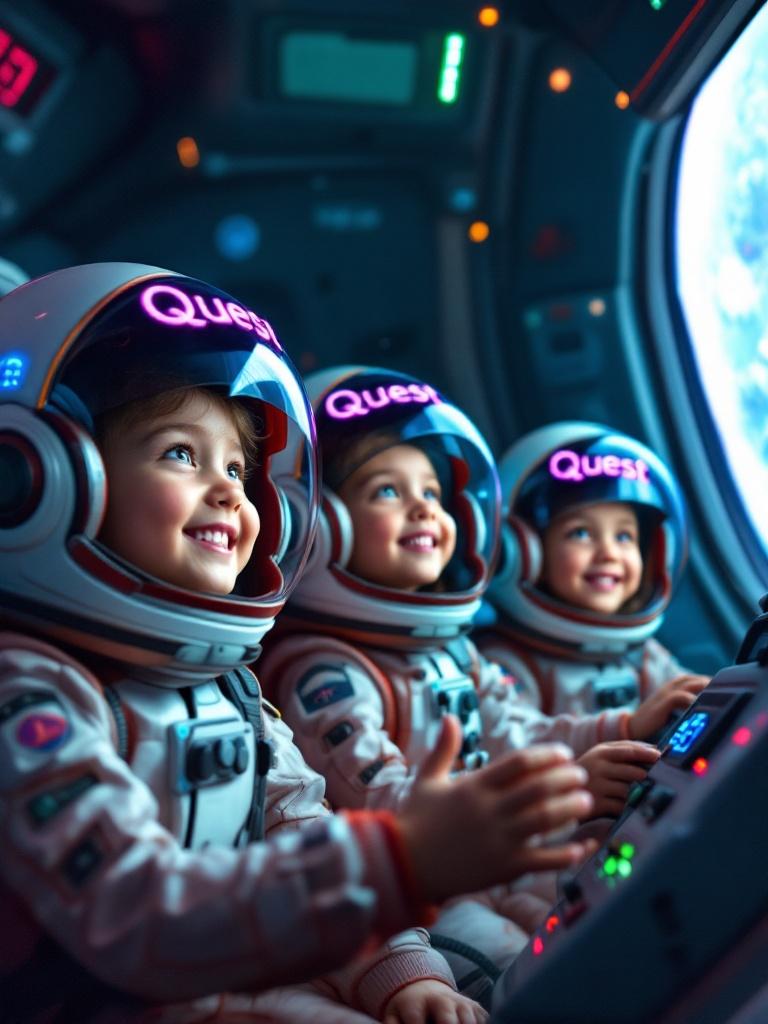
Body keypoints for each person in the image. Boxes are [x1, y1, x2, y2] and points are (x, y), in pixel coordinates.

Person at [0, 265, 594, 1024]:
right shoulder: (31, 692)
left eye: (243, 470)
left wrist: (404, 972)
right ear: (39, 474)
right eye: (181, 453)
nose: (229, 494)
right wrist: (398, 864)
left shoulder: (231, 686)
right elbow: (135, 914)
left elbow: (304, 829)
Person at [259, 367, 671, 1002]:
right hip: (424, 898)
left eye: (432, 491)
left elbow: (521, 732)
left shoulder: (452, 648)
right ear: (320, 527)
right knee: (540, 974)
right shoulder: (324, 669)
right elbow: (379, 803)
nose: (425, 507)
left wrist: (620, 732)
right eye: (387, 492)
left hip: (499, 867)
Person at [476, 420, 709, 817]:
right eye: (581, 534)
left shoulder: (644, 655)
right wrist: (622, 731)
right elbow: (516, 749)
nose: (608, 553)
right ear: (521, 550)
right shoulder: (506, 663)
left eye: (624, 537)